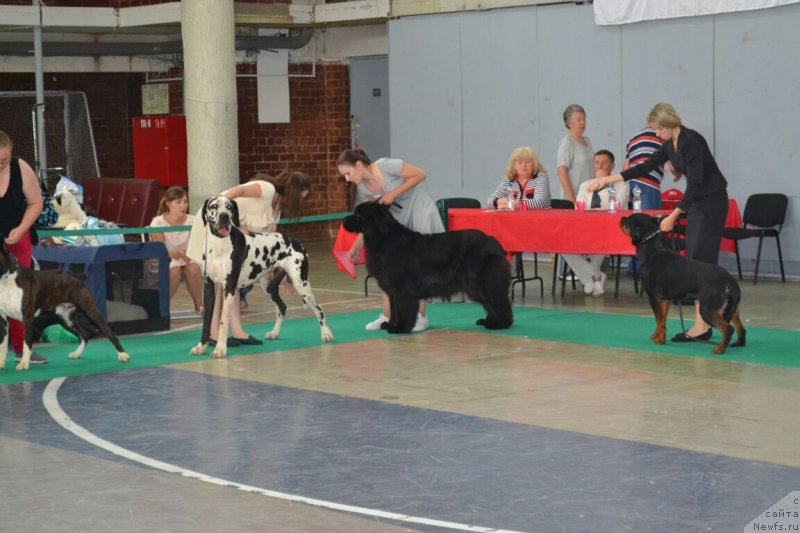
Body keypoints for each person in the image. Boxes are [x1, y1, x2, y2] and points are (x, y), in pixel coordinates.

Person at [587, 103, 729, 341]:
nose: (655, 133)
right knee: (694, 259)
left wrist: (674, 215)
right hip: (696, 203)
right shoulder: (668, 144)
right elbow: (645, 166)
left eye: (658, 129)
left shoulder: (692, 141)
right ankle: (702, 324)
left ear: (670, 124)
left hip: (711, 202)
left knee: (702, 262)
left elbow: (695, 184)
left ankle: (704, 324)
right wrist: (607, 180)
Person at [186, 172, 310, 347]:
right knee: (220, 284)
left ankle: (237, 332)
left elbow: (269, 242)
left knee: (232, 282)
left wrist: (284, 274)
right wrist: (225, 213)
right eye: (300, 198)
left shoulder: (276, 209)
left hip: (230, 230)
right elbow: (233, 193)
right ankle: (213, 334)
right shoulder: (267, 189)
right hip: (214, 224)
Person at [336, 148, 444, 332]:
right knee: (387, 269)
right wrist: (355, 247)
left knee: (420, 266)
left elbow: (420, 174)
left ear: (359, 165)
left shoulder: (386, 165)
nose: (347, 179)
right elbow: (367, 223)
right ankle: (388, 315)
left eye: (348, 173)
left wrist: (393, 193)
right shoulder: (362, 190)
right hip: (397, 219)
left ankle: (420, 316)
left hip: (418, 208)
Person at [0, 131, 47, 364]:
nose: (1, 164)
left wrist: (21, 229)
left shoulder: (21, 168)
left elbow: (36, 202)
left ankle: (22, 349)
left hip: (18, 237)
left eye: (4, 160)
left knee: (19, 294)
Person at [237, 171, 310, 310]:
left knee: (256, 271)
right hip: (237, 235)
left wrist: (278, 273)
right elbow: (239, 192)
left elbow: (271, 240)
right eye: (299, 198)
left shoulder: (276, 207)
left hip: (251, 244)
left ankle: (238, 296)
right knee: (244, 271)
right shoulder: (265, 191)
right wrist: (220, 198)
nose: (299, 203)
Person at [562, 150, 629, 296]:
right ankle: (594, 278)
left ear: (613, 166)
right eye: (597, 163)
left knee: (600, 241)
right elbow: (579, 207)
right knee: (562, 245)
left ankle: (590, 278)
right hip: (586, 227)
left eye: (604, 163)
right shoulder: (585, 185)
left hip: (611, 229)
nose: (600, 166)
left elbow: (614, 205)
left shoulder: (621, 184)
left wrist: (603, 183)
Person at [149, 186, 203, 313]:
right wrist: (176, 255)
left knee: (193, 269)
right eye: (178, 202)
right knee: (174, 269)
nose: (183, 205)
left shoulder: (194, 221)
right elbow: (159, 249)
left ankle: (199, 305)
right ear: (168, 204)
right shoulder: (158, 222)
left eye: (185, 201)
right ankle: (162, 306)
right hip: (165, 258)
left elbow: (197, 244)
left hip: (188, 256)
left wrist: (188, 253)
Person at [623, 126, 665, 275]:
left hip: (634, 184)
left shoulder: (632, 139)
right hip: (649, 185)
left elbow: (626, 167)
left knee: (636, 227)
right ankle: (645, 268)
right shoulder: (661, 135)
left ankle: (633, 267)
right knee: (649, 229)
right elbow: (672, 159)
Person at [556, 104, 594, 205]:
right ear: (569, 123)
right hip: (575, 200)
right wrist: (572, 200)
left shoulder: (587, 141)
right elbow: (561, 173)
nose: (583, 122)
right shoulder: (567, 143)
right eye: (579, 119)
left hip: (589, 198)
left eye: (584, 119)